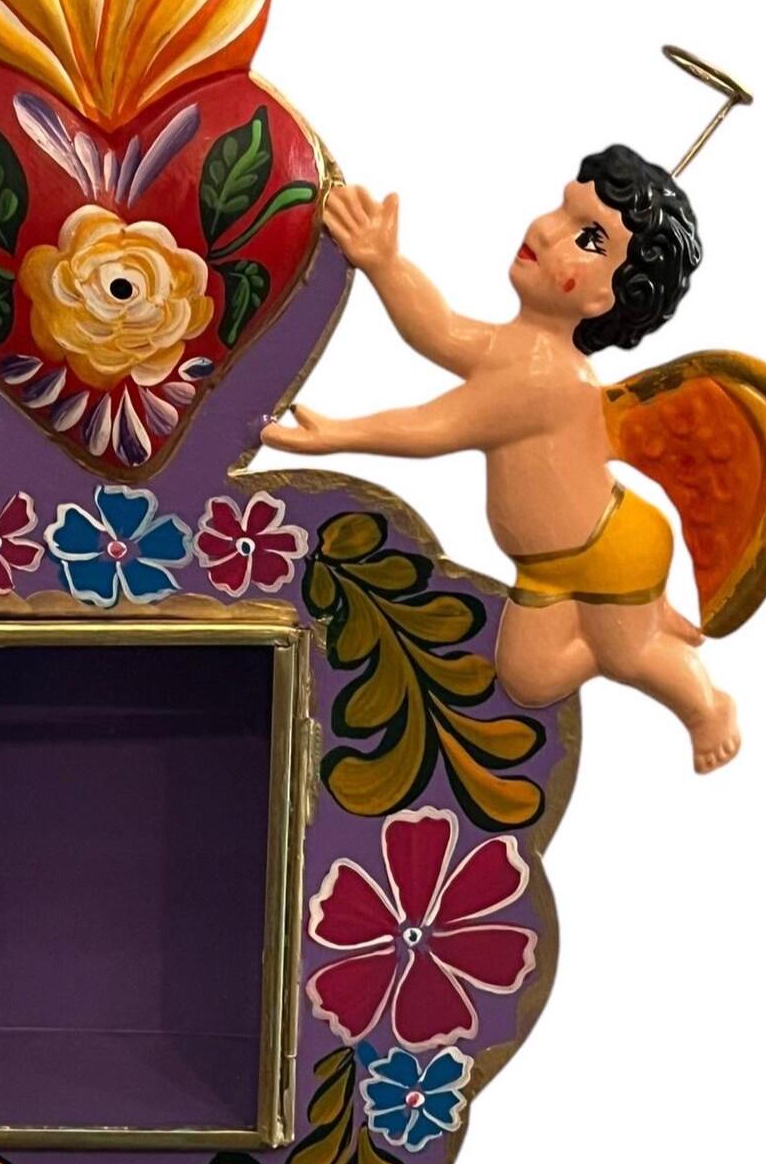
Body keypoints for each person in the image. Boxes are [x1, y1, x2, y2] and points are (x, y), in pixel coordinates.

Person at [262, 148, 741, 773]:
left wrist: (343, 434)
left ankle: (706, 707)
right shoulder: (522, 348)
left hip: (604, 551)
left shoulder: (551, 378)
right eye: (564, 208)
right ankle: (629, 619)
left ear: (606, 297)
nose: (547, 230)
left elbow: (441, 424)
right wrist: (383, 262)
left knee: (630, 656)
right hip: (551, 565)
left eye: (589, 238)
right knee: (529, 680)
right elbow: (439, 330)